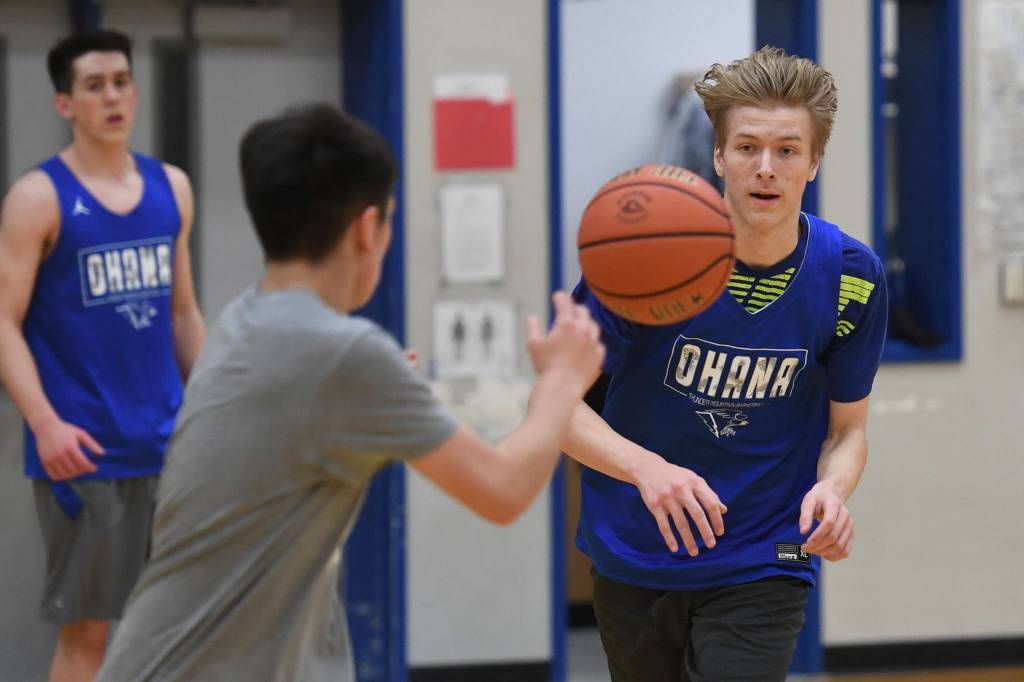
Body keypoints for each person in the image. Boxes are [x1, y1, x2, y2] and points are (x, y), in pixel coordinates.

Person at [95, 102, 605, 681]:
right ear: (369, 228)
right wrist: (562, 382)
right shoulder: (344, 354)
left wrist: (385, 400)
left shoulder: (245, 317)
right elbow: (505, 489)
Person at [566, 46, 888, 681]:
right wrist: (647, 469)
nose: (765, 169)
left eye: (787, 150)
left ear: (814, 160)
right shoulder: (643, 259)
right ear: (718, 155)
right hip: (639, 546)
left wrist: (832, 489)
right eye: (746, 148)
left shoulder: (852, 276)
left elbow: (848, 431)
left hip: (767, 552)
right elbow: (554, 408)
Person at [0, 30, 205, 682]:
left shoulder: (170, 187)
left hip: (169, 445)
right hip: (85, 450)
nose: (112, 96)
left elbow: (182, 313)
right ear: (65, 104)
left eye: (121, 81)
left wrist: (209, 412)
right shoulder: (38, 197)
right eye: (94, 86)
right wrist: (44, 423)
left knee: (178, 624)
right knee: (87, 634)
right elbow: (2, 321)